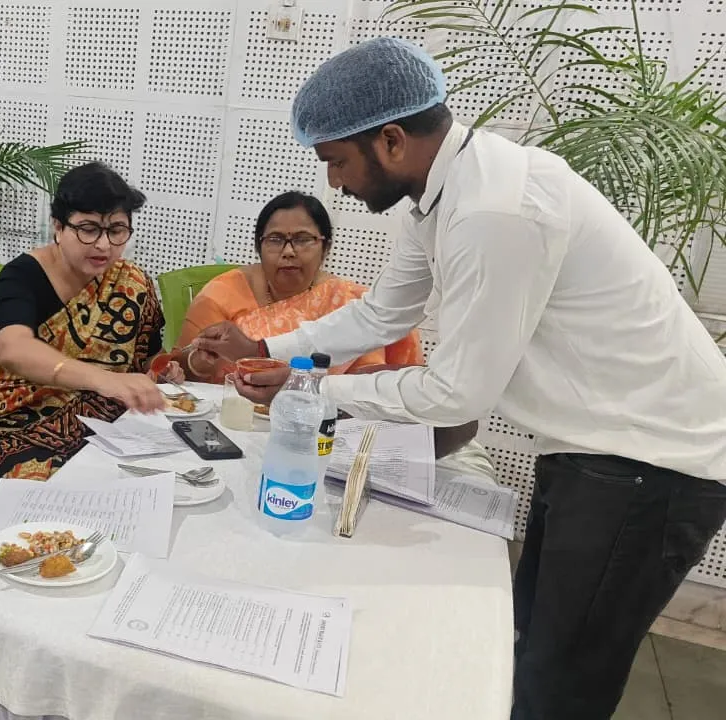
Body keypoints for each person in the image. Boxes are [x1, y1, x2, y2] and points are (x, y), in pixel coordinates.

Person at [195, 37, 726, 720]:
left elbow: (456, 394)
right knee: (530, 646)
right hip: (594, 449)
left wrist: (312, 387)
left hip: (653, 460)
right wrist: (267, 344)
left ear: (390, 140)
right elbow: (384, 312)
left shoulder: (494, 211)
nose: (334, 183)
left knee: (561, 684)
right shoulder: (445, 194)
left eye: (336, 160)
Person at [0, 162, 181, 490]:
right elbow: (13, 349)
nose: (104, 245)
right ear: (58, 225)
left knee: (167, 479)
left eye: (116, 230)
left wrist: (165, 371)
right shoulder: (22, 276)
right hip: (22, 428)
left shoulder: (132, 282)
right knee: (49, 497)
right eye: (88, 229)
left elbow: (148, 358)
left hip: (109, 424)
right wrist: (103, 379)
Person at [174, 190, 422, 383]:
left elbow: (368, 380)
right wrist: (197, 363)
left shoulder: (348, 301)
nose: (289, 251)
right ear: (258, 246)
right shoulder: (221, 294)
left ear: (325, 247)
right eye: (275, 240)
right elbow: (177, 371)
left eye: (303, 240)